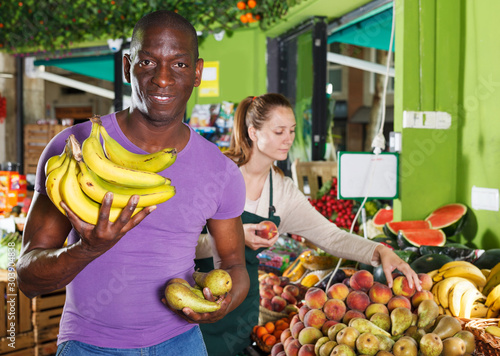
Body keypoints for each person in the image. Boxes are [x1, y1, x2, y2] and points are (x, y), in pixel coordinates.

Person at [16, 10, 250, 355]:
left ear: (197, 73)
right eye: (148, 63)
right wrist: (87, 249)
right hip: (88, 345)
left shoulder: (220, 170)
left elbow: (234, 265)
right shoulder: (73, 150)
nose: (163, 79)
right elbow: (27, 280)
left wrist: (224, 305)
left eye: (180, 65)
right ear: (128, 67)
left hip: (181, 344)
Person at [195, 93, 422, 355]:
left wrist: (379, 251)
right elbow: (175, 243)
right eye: (279, 131)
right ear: (253, 132)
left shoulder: (281, 191)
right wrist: (233, 237)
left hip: (240, 304)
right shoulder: (217, 175)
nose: (288, 139)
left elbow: (331, 237)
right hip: (198, 293)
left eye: (291, 131)